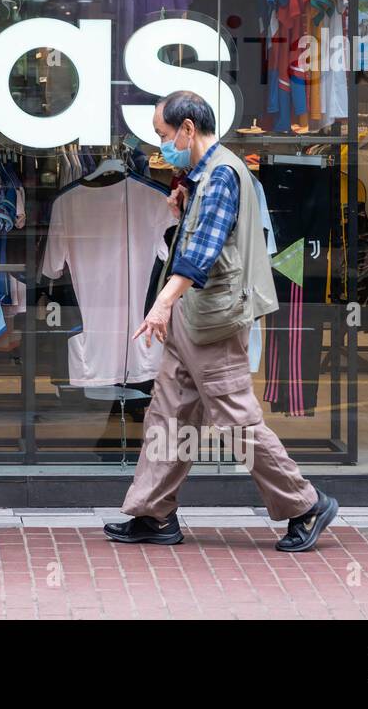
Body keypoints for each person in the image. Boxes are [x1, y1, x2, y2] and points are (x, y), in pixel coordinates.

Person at [103, 91, 339, 552]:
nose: (161, 145)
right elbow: (202, 240)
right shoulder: (204, 177)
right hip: (192, 321)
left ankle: (305, 505)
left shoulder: (222, 175)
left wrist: (162, 304)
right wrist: (180, 213)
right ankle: (155, 515)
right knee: (167, 416)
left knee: (237, 422)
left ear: (188, 129)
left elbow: (202, 256)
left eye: (164, 136)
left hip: (213, 322)